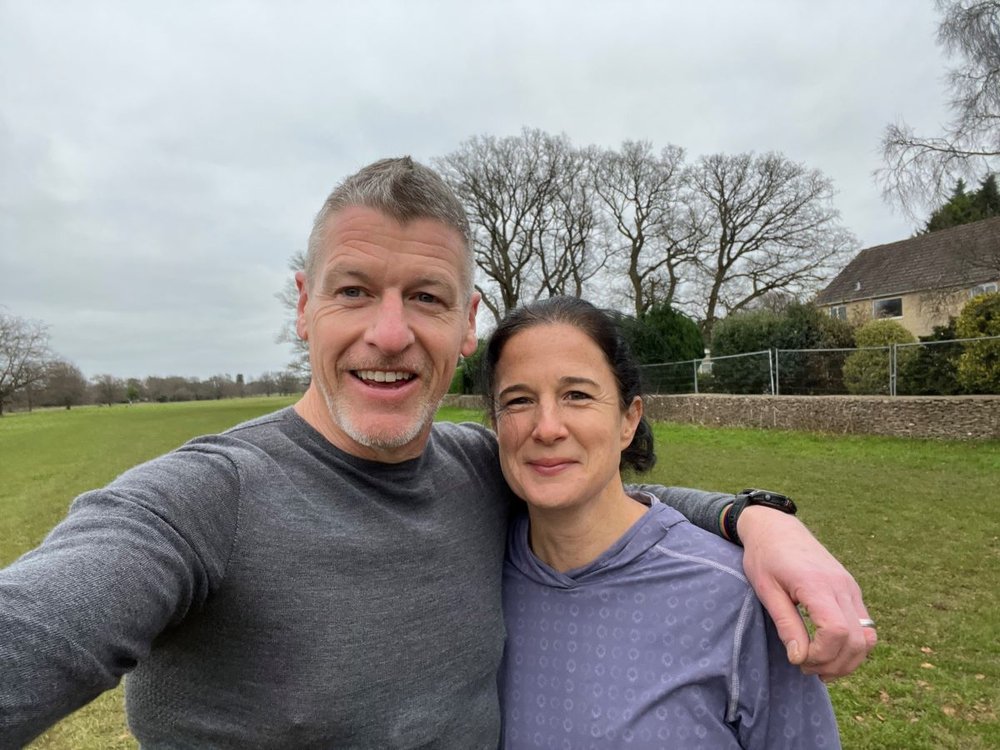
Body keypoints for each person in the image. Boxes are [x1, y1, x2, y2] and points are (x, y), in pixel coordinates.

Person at [0, 158, 872, 749]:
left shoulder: (473, 468)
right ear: (303, 305)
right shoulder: (197, 501)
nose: (389, 333)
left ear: (467, 323)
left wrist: (753, 517)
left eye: (424, 296)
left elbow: (585, 482)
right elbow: (35, 630)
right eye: (353, 291)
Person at [483, 296, 842, 748]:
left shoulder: (736, 598)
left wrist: (758, 518)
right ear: (494, 425)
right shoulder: (475, 564)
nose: (547, 427)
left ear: (629, 420)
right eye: (518, 400)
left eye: (577, 395)